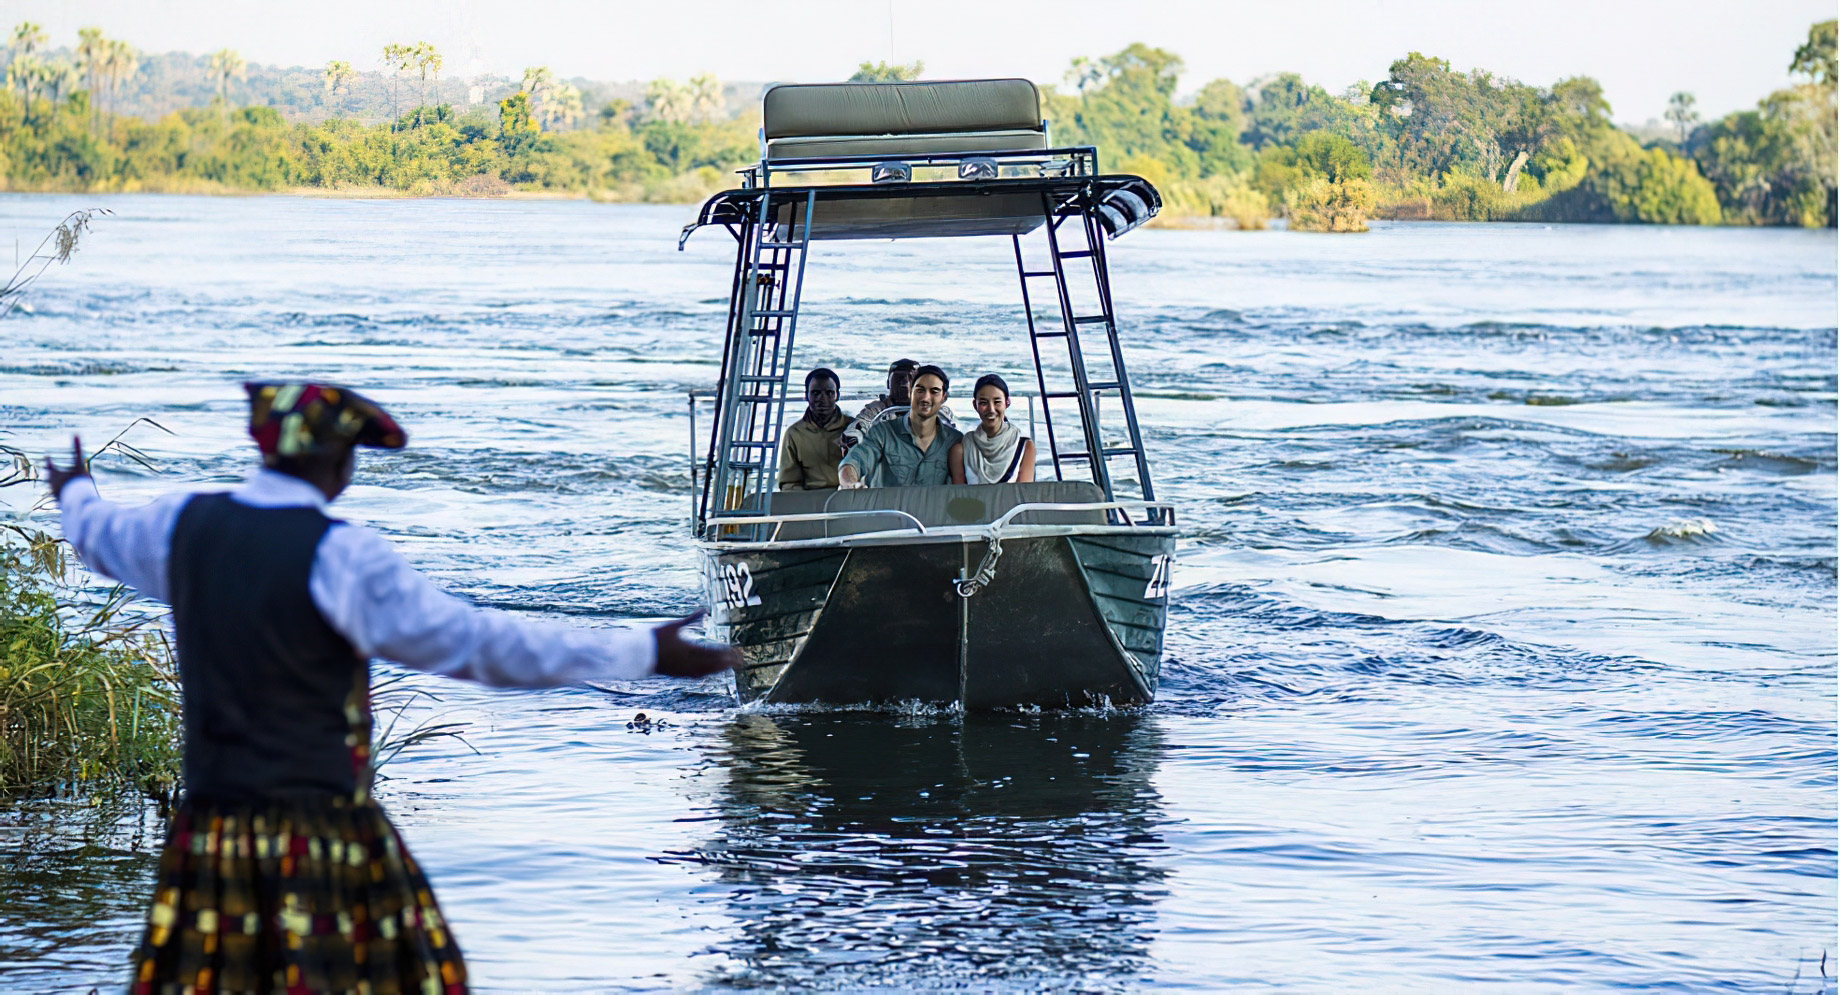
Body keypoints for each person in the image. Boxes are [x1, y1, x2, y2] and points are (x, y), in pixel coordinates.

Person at [43, 382, 738, 994]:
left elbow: (93, 533)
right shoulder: (343, 557)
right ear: (338, 462)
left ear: (267, 451)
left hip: (212, 832)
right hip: (321, 836)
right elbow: (482, 646)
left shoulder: (181, 525)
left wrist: (74, 486)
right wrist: (642, 649)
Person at [838, 365, 963, 488]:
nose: (926, 398)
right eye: (920, 390)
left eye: (934, 392)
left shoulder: (953, 438)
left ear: (944, 397)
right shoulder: (881, 432)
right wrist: (851, 484)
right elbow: (854, 461)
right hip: (889, 506)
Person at [839, 358, 954, 454]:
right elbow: (861, 424)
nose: (904, 383)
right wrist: (853, 437)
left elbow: (948, 428)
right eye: (899, 378)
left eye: (910, 378)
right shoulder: (877, 409)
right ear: (889, 383)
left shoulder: (936, 409)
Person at [949, 373, 1037, 484]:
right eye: (983, 403)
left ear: (1007, 403)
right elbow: (959, 496)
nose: (991, 409)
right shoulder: (961, 450)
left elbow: (1023, 494)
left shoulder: (1025, 447)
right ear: (975, 406)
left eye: (997, 402)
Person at [776, 367, 848, 491]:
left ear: (837, 395)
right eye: (816, 393)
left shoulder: (853, 429)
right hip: (809, 500)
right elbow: (789, 483)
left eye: (829, 393)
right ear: (806, 396)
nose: (822, 399)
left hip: (848, 498)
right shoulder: (795, 434)